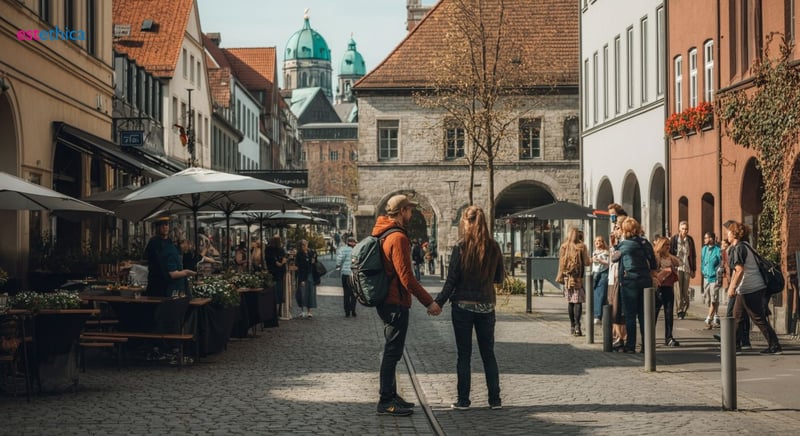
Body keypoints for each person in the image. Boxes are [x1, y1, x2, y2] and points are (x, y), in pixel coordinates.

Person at [372, 194, 441, 417]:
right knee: (392, 352)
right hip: (395, 302)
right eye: (410, 210)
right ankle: (385, 400)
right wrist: (429, 302)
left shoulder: (383, 232)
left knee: (393, 351)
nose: (412, 213)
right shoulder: (398, 238)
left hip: (388, 300)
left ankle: (391, 395)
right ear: (402, 211)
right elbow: (406, 277)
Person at [434, 205, 505, 411]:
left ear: (467, 222)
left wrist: (437, 302)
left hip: (463, 306)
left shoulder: (461, 247)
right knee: (488, 354)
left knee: (464, 355)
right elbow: (499, 278)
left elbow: (451, 281)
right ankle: (495, 400)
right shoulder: (494, 247)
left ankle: (463, 400)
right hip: (485, 306)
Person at [723, 220, 782, 354]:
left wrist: (732, 287)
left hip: (751, 287)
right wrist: (734, 286)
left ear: (735, 234)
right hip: (746, 287)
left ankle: (775, 345)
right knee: (737, 315)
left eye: (729, 231)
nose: (727, 234)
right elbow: (736, 271)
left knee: (757, 317)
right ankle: (734, 346)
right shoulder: (744, 246)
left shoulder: (739, 248)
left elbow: (739, 270)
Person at [616, 217, 657, 353]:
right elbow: (653, 262)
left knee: (630, 315)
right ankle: (646, 345)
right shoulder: (645, 242)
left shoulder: (624, 244)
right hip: (645, 281)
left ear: (625, 230)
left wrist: (616, 242)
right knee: (644, 314)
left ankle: (631, 345)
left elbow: (613, 258)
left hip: (629, 282)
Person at [145, 215, 196, 297]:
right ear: (157, 228)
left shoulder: (169, 241)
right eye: (162, 225)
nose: (165, 227)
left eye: (166, 224)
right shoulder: (154, 242)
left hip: (169, 283)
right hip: (158, 281)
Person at [556, 227, 591, 336]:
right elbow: (586, 262)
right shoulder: (582, 246)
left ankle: (572, 325)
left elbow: (561, 264)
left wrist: (560, 276)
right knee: (578, 302)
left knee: (570, 302)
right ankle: (577, 325)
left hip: (567, 278)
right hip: (578, 278)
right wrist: (591, 259)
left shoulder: (564, 246)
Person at [652, 236, 681, 347]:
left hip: (669, 286)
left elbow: (679, 262)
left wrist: (672, 267)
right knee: (654, 313)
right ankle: (650, 337)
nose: (668, 247)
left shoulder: (670, 257)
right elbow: (653, 272)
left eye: (669, 245)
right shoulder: (656, 257)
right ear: (660, 246)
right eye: (666, 245)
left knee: (669, 313)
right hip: (659, 287)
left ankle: (669, 337)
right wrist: (663, 272)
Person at [670, 220, 696, 319]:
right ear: (679, 229)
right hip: (677, 268)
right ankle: (679, 310)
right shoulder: (674, 239)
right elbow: (671, 253)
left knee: (685, 291)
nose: (685, 231)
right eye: (683, 229)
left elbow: (693, 255)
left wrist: (694, 269)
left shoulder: (690, 240)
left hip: (687, 267)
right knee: (678, 291)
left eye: (686, 229)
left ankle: (685, 308)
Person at [701, 232, 722, 329]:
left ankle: (710, 318)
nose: (704, 239)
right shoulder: (704, 249)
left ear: (712, 239)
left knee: (714, 298)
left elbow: (721, 263)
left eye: (706, 238)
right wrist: (703, 270)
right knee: (708, 299)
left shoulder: (718, 250)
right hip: (706, 277)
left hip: (714, 278)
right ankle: (714, 315)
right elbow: (702, 261)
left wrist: (717, 270)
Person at [294, 239, 318, 318]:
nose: (305, 247)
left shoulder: (311, 252)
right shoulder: (299, 254)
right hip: (303, 276)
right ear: (301, 246)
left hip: (310, 275)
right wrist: (301, 279)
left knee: (310, 293)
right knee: (302, 293)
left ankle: (309, 311)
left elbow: (315, 262)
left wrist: (314, 260)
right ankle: (302, 311)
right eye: (303, 245)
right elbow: (299, 266)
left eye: (306, 245)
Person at [264, 235, 288, 314]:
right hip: (277, 273)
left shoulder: (270, 250)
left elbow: (281, 261)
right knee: (278, 292)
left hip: (275, 273)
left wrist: (281, 262)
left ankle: (276, 310)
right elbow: (280, 262)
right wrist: (281, 262)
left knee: (276, 291)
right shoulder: (273, 250)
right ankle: (278, 310)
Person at [336, 237, 358, 317]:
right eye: (354, 242)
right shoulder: (357, 250)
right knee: (354, 293)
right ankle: (353, 310)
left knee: (346, 293)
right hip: (354, 274)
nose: (355, 243)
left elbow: (339, 259)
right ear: (352, 243)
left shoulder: (343, 249)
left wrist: (338, 266)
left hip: (345, 273)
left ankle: (347, 311)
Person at [591, 236, 609, 324]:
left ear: (602, 242)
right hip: (595, 274)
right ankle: (596, 314)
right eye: (596, 241)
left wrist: (600, 261)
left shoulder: (606, 252)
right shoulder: (594, 252)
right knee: (595, 294)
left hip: (603, 273)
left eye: (599, 241)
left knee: (601, 294)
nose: (597, 243)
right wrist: (592, 259)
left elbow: (609, 263)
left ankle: (598, 315)